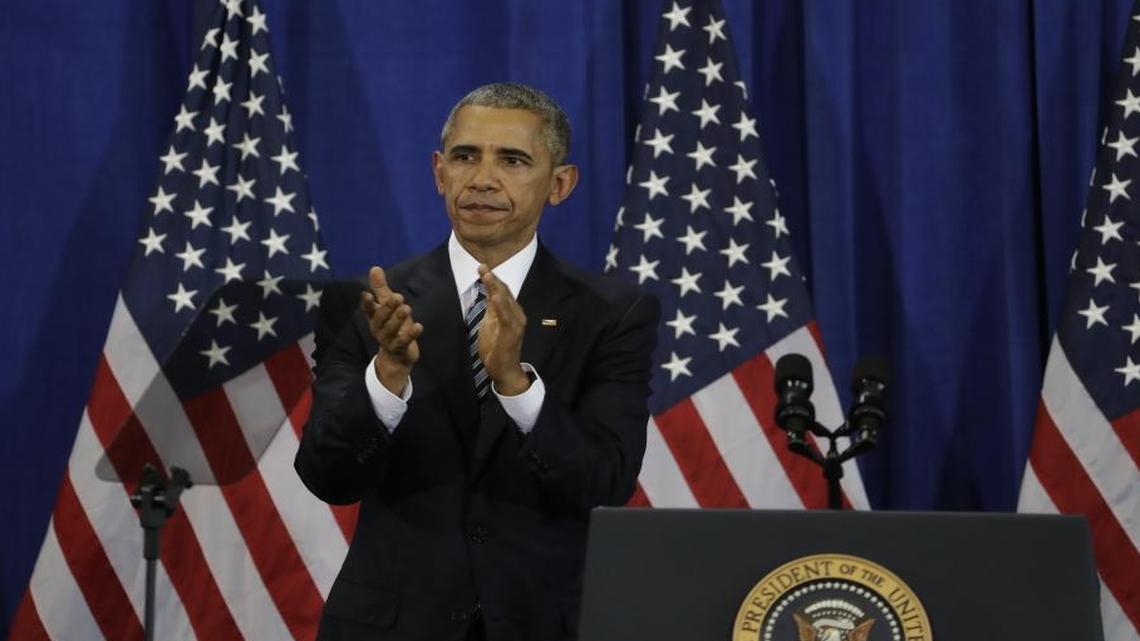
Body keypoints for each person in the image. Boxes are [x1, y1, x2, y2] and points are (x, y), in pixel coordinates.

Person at [295, 82, 660, 641]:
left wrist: (515, 384)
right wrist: (388, 376)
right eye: (466, 156)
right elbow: (328, 475)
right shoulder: (370, 304)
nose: (483, 179)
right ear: (440, 172)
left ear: (560, 184)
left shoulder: (611, 314)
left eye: (512, 160)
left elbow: (606, 480)